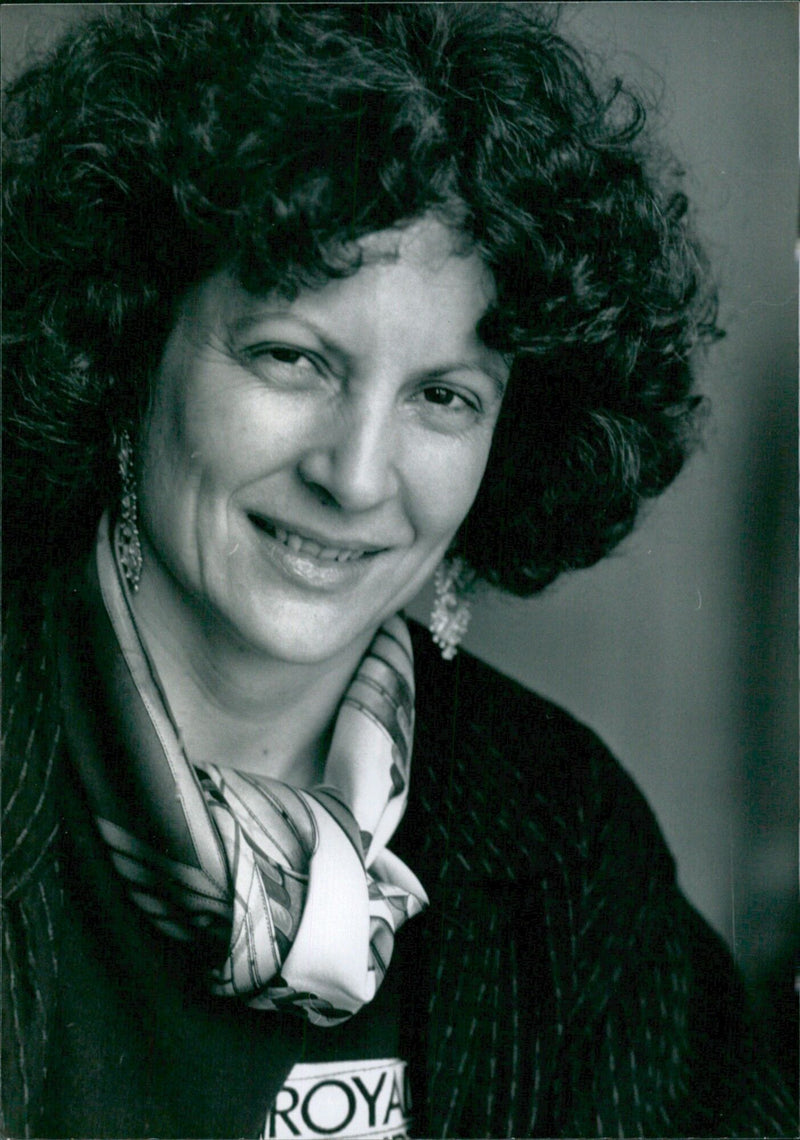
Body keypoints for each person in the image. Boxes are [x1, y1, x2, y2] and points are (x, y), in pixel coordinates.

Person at [2, 5, 795, 1138]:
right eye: (290, 357)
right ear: (128, 341)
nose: (358, 473)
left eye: (443, 396)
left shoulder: (558, 845)